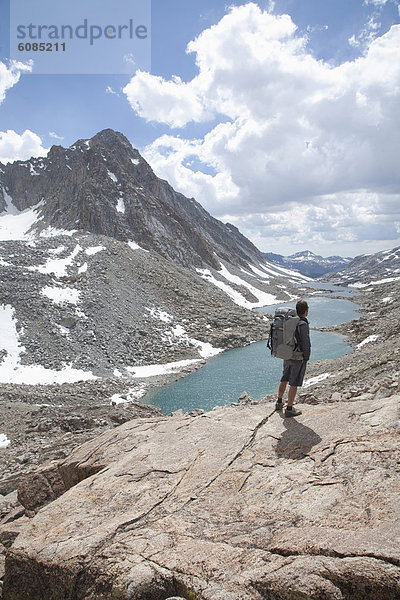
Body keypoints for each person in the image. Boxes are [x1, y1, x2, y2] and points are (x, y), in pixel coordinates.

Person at [275, 299, 311, 417]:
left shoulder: (290, 321)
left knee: (284, 378)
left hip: (287, 354)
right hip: (298, 357)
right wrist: (306, 356)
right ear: (306, 311)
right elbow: (305, 342)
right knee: (294, 383)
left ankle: (279, 402)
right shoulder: (303, 323)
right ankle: (289, 409)